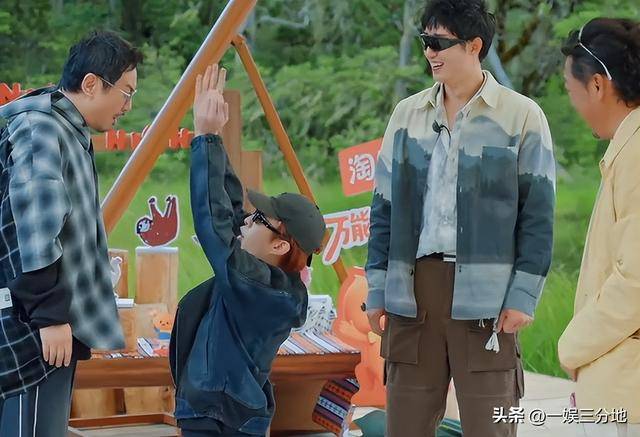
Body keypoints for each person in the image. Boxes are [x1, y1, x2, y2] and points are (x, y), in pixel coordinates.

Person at [364, 0, 556, 436]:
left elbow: (538, 215)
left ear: (474, 45)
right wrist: (377, 289)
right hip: (414, 293)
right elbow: (383, 209)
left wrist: (523, 295)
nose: (429, 52)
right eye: (425, 41)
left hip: (488, 298)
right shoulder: (407, 115)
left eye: (439, 43)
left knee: (491, 424)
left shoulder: (522, 116)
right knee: (405, 425)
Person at [170, 64, 327, 437]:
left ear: (280, 244)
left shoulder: (259, 286)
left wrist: (206, 137)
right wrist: (214, 138)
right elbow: (230, 210)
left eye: (258, 219)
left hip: (220, 419)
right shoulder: (271, 279)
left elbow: (215, 226)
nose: (246, 220)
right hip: (225, 413)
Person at [0, 31, 142, 436]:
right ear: (92, 83)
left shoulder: (65, 128)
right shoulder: (42, 128)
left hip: (51, 321)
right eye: (126, 92)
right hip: (34, 328)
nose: (128, 106)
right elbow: (34, 224)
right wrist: (50, 315)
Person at [557, 17, 640, 437]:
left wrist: (572, 345)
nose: (572, 103)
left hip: (627, 396)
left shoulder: (636, 154)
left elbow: (635, 279)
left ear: (596, 85)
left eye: (570, 89)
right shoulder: (626, 148)